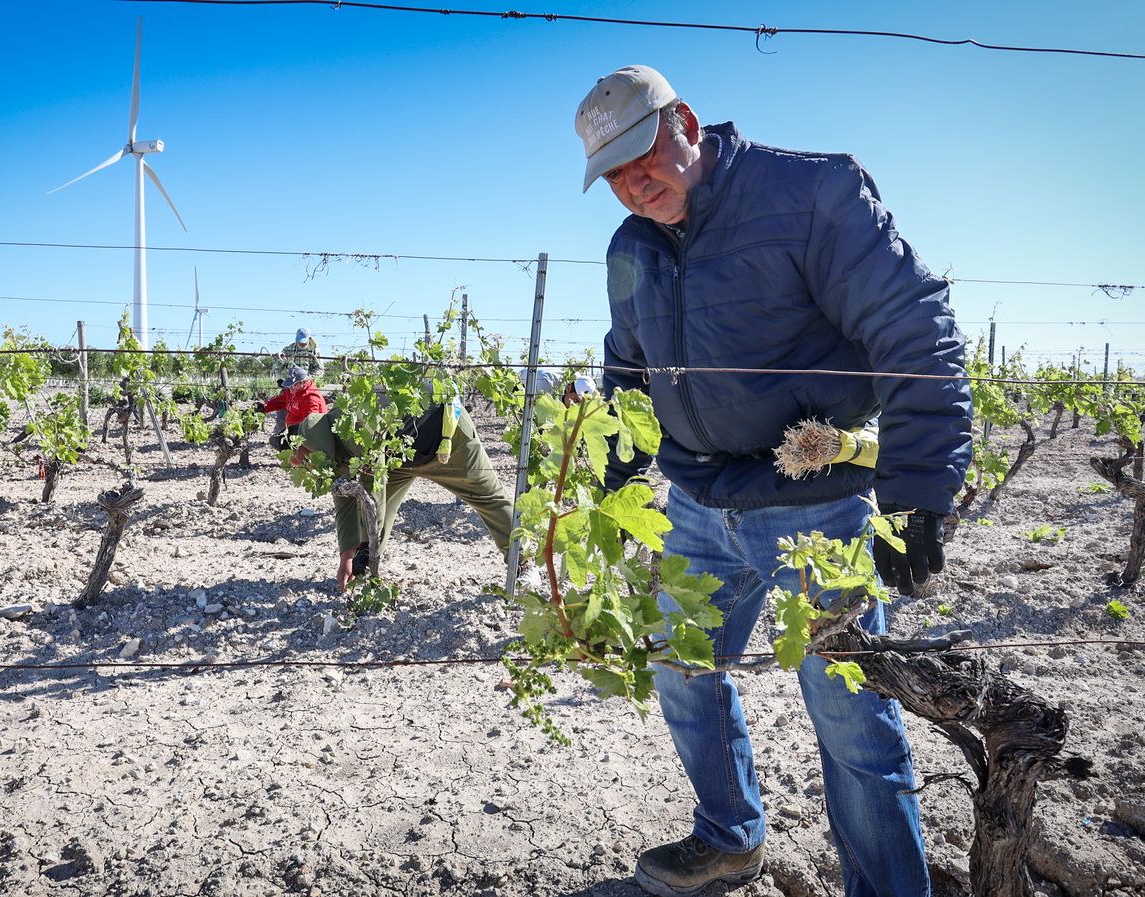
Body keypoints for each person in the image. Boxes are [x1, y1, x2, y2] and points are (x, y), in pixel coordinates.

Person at [574, 65, 971, 897]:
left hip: (814, 506)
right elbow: (625, 372)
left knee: (852, 717)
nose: (633, 185)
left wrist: (918, 490)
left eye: (642, 157)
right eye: (612, 175)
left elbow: (916, 328)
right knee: (683, 671)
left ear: (683, 122)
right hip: (694, 505)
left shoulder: (812, 194)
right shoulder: (630, 248)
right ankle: (729, 837)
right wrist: (611, 482)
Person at [288, 400, 515, 591]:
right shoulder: (327, 446)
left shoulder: (348, 426)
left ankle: (522, 559)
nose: (305, 467)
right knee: (370, 515)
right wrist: (347, 554)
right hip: (399, 459)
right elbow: (344, 497)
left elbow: (372, 487)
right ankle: (365, 566)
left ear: (304, 444)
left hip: (446, 436)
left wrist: (371, 521)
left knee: (487, 497)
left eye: (300, 461)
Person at [256, 366, 327, 448]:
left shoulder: (311, 399)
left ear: (303, 383)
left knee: (278, 442)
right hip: (294, 430)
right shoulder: (292, 391)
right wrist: (264, 407)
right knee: (276, 440)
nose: (290, 388)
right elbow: (281, 401)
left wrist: (291, 432)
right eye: (289, 385)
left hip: (309, 437)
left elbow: (309, 425)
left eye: (293, 385)